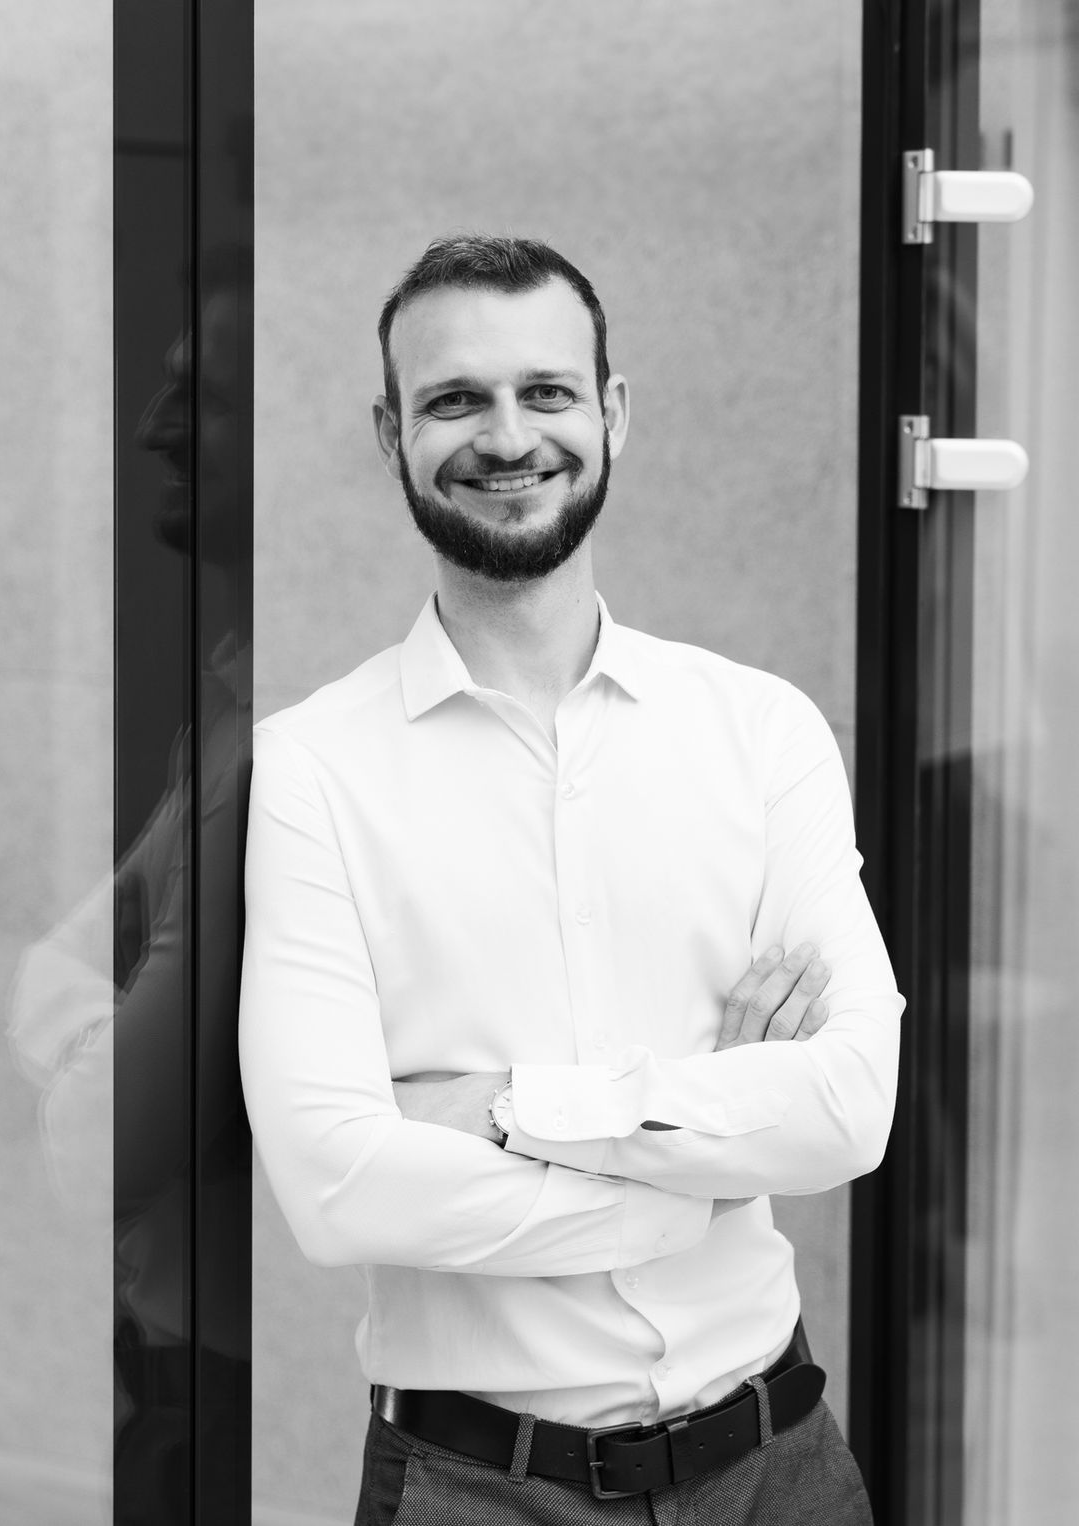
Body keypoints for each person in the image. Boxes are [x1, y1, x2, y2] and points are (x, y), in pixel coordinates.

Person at [238, 234, 903, 1524]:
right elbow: (334, 1185)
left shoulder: (760, 731)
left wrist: (496, 1104)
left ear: (612, 414)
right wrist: (692, 1159)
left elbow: (850, 1108)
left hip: (787, 1474)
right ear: (392, 436)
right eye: (453, 400)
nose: (506, 437)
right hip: (476, 1490)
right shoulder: (308, 772)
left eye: (545, 392)